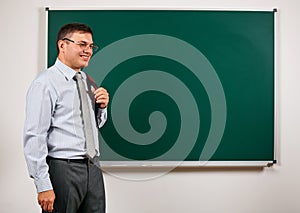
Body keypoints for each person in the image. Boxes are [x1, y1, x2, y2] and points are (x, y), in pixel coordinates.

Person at [24, 23, 109, 213]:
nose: (88, 51)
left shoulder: (87, 81)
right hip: (64, 169)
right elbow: (35, 135)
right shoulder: (45, 83)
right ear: (62, 45)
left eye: (90, 46)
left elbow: (92, 126)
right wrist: (43, 184)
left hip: (93, 167)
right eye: (82, 44)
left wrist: (101, 108)